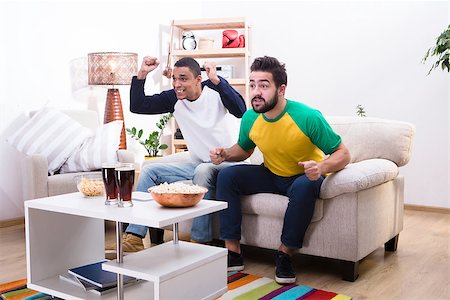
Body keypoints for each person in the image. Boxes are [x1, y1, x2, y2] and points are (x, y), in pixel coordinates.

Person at [210, 56, 351, 284]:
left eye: (264, 86)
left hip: (303, 176)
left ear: (281, 89)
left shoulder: (307, 117)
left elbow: (343, 154)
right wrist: (226, 154)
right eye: (253, 84)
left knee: (306, 186)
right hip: (271, 173)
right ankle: (233, 253)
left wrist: (321, 167)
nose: (256, 91)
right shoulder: (250, 117)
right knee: (227, 175)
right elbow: (244, 150)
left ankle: (284, 255)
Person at [108, 56, 246, 253]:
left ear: (198, 79)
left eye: (183, 78)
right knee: (149, 171)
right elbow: (138, 106)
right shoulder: (174, 98)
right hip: (197, 163)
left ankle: (200, 242)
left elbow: (241, 109)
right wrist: (142, 74)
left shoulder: (215, 90)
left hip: (229, 163)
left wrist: (217, 79)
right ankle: (134, 237)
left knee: (202, 170)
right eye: (174, 78)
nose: (177, 84)